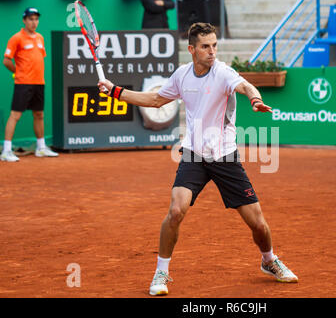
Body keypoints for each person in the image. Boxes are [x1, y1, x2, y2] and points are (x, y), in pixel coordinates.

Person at [98, 22, 298, 296]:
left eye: (215, 45)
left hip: (225, 157)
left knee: (258, 223)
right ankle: (162, 271)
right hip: (193, 154)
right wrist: (116, 91)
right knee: (176, 210)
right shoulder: (182, 75)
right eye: (206, 46)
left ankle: (269, 260)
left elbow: (246, 86)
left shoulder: (223, 73)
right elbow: (156, 100)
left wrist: (254, 99)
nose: (212, 51)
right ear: (192, 49)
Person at [1, 7, 58, 162]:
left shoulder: (40, 38)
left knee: (39, 114)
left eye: (36, 19)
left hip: (39, 82)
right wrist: (17, 72)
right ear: (24, 20)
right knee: (15, 115)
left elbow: (38, 59)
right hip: (23, 83)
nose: (34, 22)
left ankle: (41, 148)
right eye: (31, 19)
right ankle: (6, 151)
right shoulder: (16, 38)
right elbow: (6, 60)